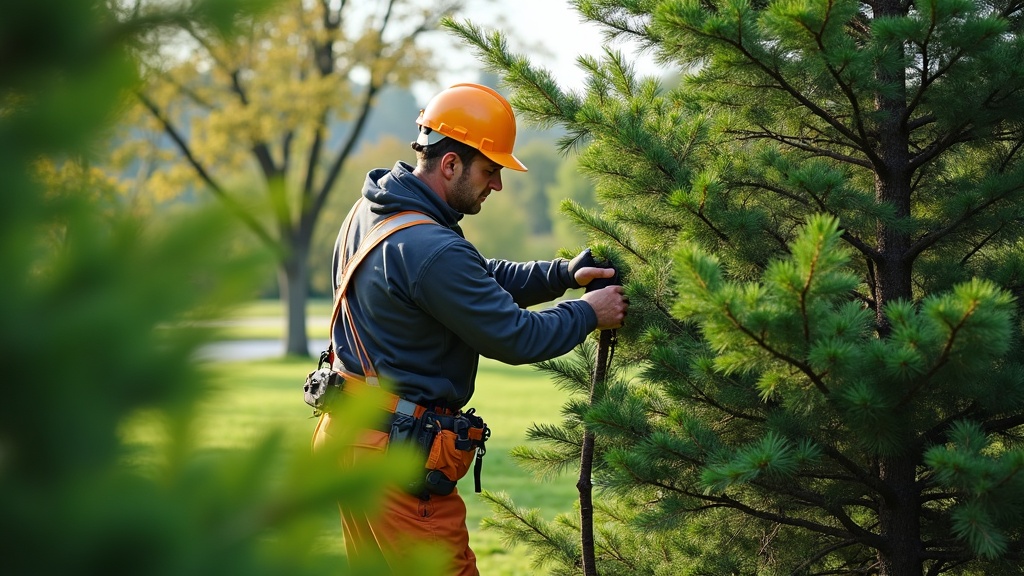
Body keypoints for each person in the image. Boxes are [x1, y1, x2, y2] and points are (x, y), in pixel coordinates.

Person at [312, 82, 629, 575]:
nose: (497, 185)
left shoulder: (373, 214)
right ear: (450, 164)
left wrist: (563, 275)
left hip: (351, 436)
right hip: (395, 461)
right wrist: (590, 312)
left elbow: (474, 277)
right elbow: (516, 336)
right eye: (490, 169)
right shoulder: (430, 247)